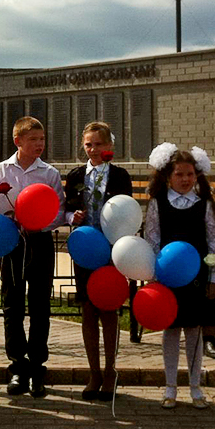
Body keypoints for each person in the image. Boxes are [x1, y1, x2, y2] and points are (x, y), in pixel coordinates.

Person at [0, 116, 64, 398]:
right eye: (33, 139)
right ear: (17, 141)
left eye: (42, 139)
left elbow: (58, 210)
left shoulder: (49, 173)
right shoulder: (0, 171)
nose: (39, 145)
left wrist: (38, 221)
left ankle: (37, 367)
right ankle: (18, 365)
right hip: (10, 242)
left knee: (40, 304)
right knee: (12, 303)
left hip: (40, 241)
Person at [144, 143, 215, 410]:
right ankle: (170, 386)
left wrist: (212, 275)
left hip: (196, 278)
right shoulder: (158, 204)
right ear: (168, 176)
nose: (185, 179)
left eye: (190, 174)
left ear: (196, 176)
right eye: (179, 174)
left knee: (194, 332)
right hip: (168, 277)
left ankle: (195, 386)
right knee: (171, 330)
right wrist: (155, 275)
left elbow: (214, 245)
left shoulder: (203, 205)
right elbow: (152, 240)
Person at [63, 121, 132, 402]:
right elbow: (67, 207)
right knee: (88, 309)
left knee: (109, 309)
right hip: (85, 250)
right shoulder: (77, 174)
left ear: (110, 147)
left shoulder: (119, 175)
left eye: (99, 144)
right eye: (89, 144)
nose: (93, 149)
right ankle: (93, 372)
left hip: (112, 250)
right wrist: (73, 217)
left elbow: (127, 209)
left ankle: (110, 370)